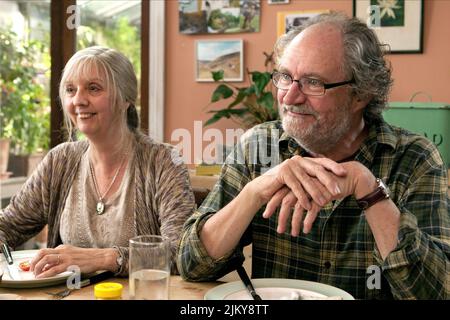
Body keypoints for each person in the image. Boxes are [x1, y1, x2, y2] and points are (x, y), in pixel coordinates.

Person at [177, 12, 449, 299]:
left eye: (313, 83)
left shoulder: (415, 159)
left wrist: (370, 191)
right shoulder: (259, 146)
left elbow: (435, 292)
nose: (289, 97)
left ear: (361, 95)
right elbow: (191, 265)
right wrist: (255, 191)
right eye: (285, 77)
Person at [0, 46, 195, 278]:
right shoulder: (59, 160)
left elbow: (183, 254)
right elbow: (8, 226)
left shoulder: (164, 162)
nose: (78, 100)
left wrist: (104, 258)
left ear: (126, 100)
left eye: (93, 88)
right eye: (70, 90)